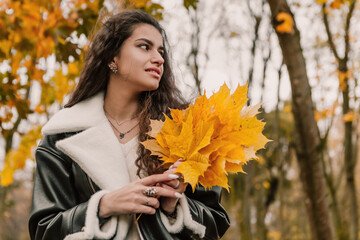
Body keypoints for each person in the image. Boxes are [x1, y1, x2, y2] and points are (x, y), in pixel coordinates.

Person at [28, 10, 230, 240]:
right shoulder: (61, 136)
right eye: (145, 46)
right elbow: (44, 230)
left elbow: (215, 223)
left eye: (161, 51)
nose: (159, 58)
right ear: (112, 57)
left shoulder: (185, 132)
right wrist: (103, 206)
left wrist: (173, 208)